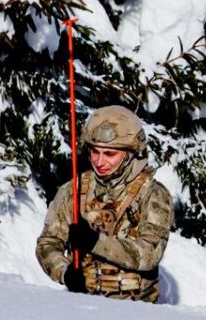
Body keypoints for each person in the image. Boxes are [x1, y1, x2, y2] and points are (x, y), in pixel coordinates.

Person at [36, 106, 173, 302]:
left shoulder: (153, 195)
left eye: (110, 154)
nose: (100, 162)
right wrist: (64, 272)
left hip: (137, 311)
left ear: (129, 153)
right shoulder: (73, 190)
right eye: (95, 152)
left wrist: (95, 242)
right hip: (82, 303)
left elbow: (149, 255)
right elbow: (48, 243)